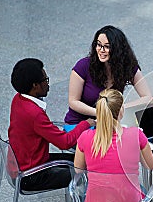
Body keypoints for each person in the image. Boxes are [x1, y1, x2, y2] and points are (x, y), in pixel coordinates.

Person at [74, 88, 153, 202]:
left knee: (110, 190)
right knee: (143, 191)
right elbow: (150, 165)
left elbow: (78, 170)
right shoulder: (136, 135)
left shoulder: (85, 137)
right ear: (121, 111)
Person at [8, 58, 95, 191]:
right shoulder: (34, 114)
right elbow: (64, 143)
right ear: (34, 85)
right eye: (45, 81)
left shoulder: (18, 99)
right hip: (31, 175)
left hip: (23, 164)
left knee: (83, 159)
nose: (48, 85)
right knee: (91, 167)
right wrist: (87, 123)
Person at [64, 25, 152, 127]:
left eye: (107, 46)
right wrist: (100, 112)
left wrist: (119, 109)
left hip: (109, 124)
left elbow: (147, 97)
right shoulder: (83, 66)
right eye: (98, 45)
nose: (101, 50)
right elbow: (73, 101)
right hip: (80, 124)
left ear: (118, 49)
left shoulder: (128, 66)